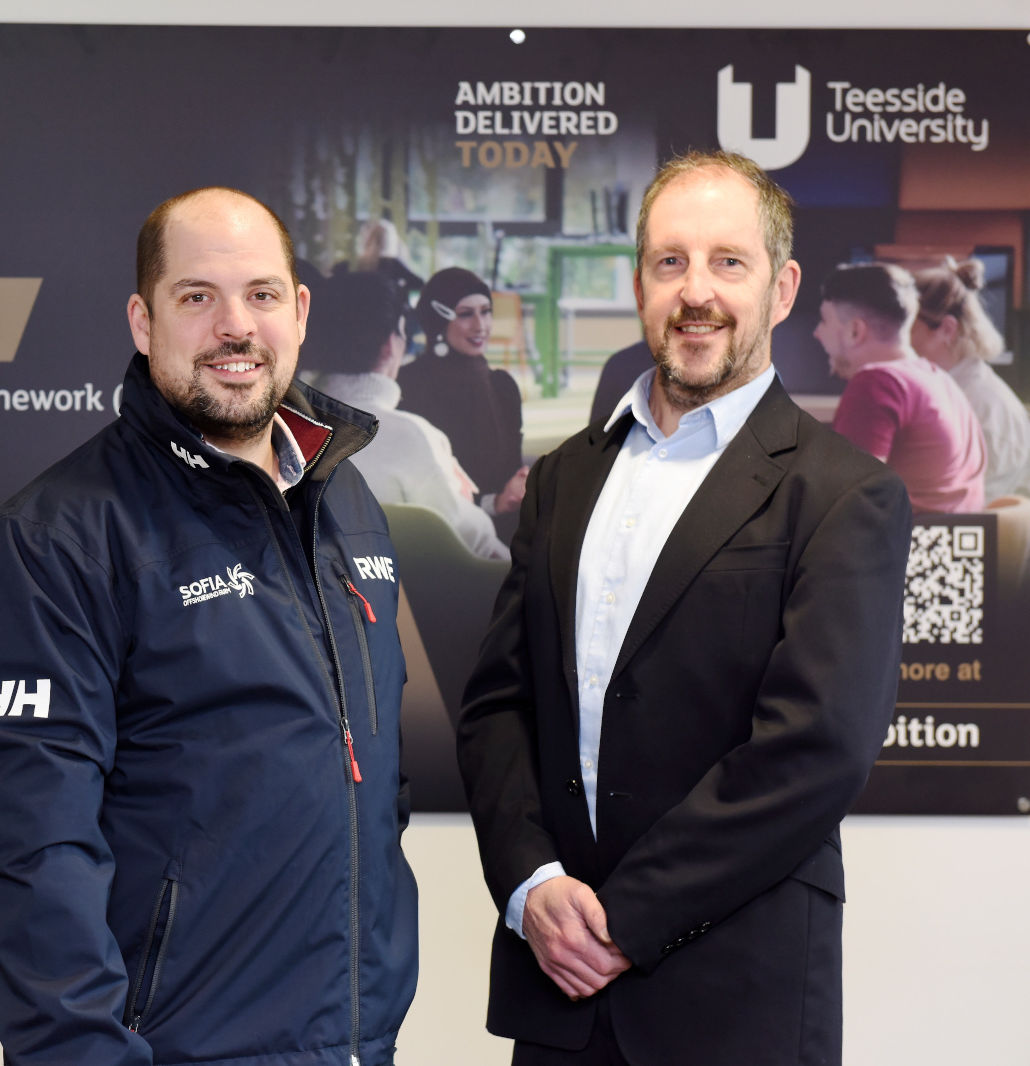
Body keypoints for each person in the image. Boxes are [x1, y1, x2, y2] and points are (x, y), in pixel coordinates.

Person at [456, 150, 912, 1065]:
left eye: (727, 262)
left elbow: (815, 749)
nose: (695, 291)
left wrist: (623, 919)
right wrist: (532, 883)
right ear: (639, 285)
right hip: (561, 996)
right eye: (671, 262)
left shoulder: (842, 492)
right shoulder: (561, 480)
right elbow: (498, 706)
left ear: (783, 289)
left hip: (735, 1004)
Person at [0, 187, 417, 1066]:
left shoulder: (345, 500)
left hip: (354, 1043)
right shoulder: (53, 539)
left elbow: (368, 782)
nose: (235, 326)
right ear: (142, 319)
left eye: (262, 295)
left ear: (301, 312)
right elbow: (30, 852)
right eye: (197, 297)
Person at [306, 270, 510, 560]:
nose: (479, 325)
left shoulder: (281, 425)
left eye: (485, 312)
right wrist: (468, 504)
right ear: (391, 343)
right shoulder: (410, 436)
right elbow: (466, 539)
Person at [818, 262, 987, 513]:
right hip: (947, 548)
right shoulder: (940, 379)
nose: (817, 333)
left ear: (855, 331)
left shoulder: (878, 383)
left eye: (824, 321)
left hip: (901, 549)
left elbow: (844, 508)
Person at [397, 267, 528, 538]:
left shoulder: (503, 387)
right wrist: (494, 503)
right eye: (466, 314)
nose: (480, 326)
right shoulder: (409, 385)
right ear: (437, 321)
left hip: (504, 530)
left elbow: (511, 472)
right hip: (438, 535)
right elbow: (416, 488)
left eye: (485, 311)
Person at [912, 257, 1029, 500]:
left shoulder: (981, 409)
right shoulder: (948, 389)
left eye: (906, 326)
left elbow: (962, 515)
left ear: (947, 329)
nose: (895, 335)